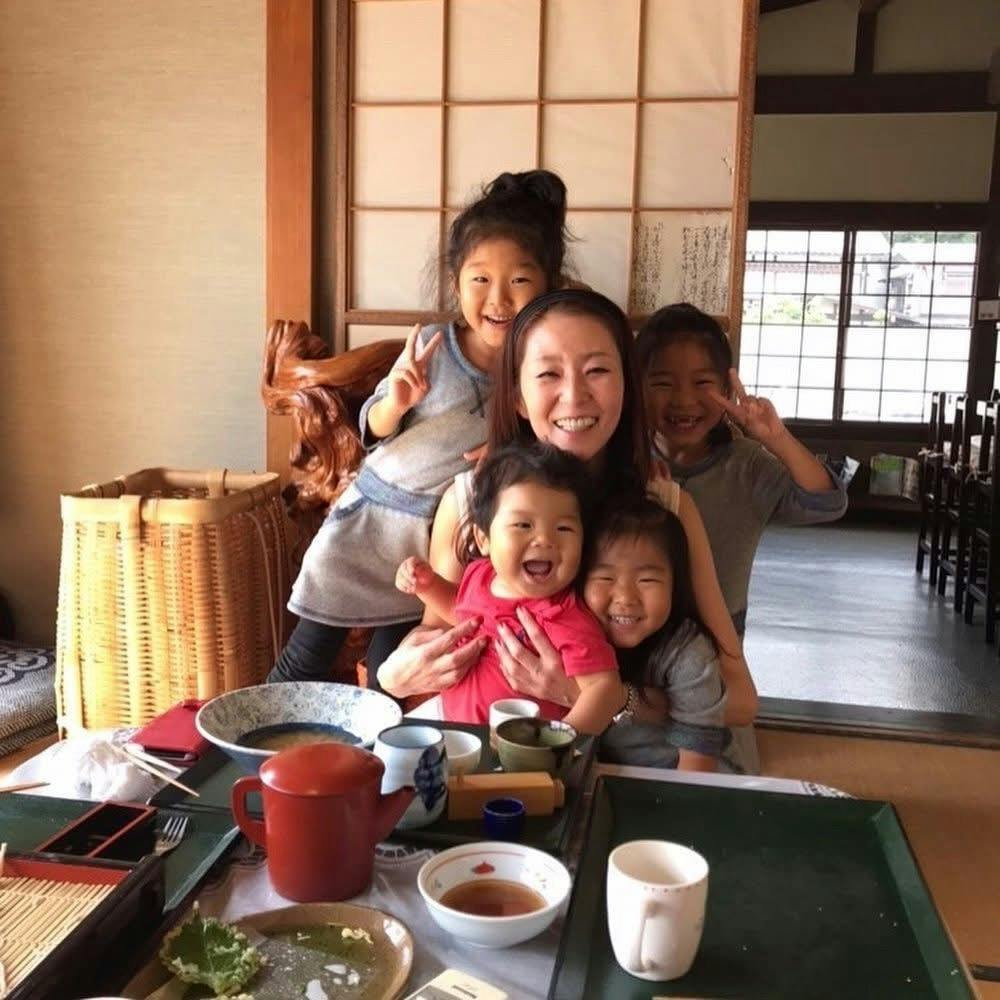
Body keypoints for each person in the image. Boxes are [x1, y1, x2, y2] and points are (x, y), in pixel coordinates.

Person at [378, 289, 758, 745]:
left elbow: (741, 699)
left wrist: (597, 697)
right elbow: (441, 634)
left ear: (627, 387)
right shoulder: (470, 504)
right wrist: (394, 675)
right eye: (548, 373)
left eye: (597, 370)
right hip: (491, 758)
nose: (575, 395)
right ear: (518, 397)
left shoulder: (662, 508)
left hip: (636, 760)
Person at [267, 170, 570, 686]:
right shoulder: (434, 345)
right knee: (304, 661)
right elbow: (372, 428)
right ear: (456, 283)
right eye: (480, 280)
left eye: (519, 281)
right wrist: (397, 400)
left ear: (548, 286)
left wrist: (510, 451)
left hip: (433, 544)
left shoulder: (541, 361)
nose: (498, 300)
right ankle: (257, 733)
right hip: (369, 522)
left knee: (391, 671)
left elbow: (550, 441)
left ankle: (380, 740)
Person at [634, 302, 848, 636]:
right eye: (663, 383)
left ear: (727, 389)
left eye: (702, 383)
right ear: (636, 387)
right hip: (634, 630)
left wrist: (777, 440)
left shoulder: (746, 466)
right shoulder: (626, 460)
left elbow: (827, 502)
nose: (684, 400)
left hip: (719, 636)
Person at [396, 442, 622, 734]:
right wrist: (427, 586)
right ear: (483, 539)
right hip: (452, 726)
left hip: (519, 748)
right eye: (523, 525)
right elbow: (460, 611)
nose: (544, 540)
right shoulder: (479, 575)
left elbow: (605, 689)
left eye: (564, 528)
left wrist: (559, 742)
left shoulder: (563, 615)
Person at [585, 493, 726, 772]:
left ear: (676, 584)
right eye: (605, 577)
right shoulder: (569, 634)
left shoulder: (689, 654)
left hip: (668, 783)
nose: (625, 598)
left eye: (647, 579)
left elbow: (696, 772)